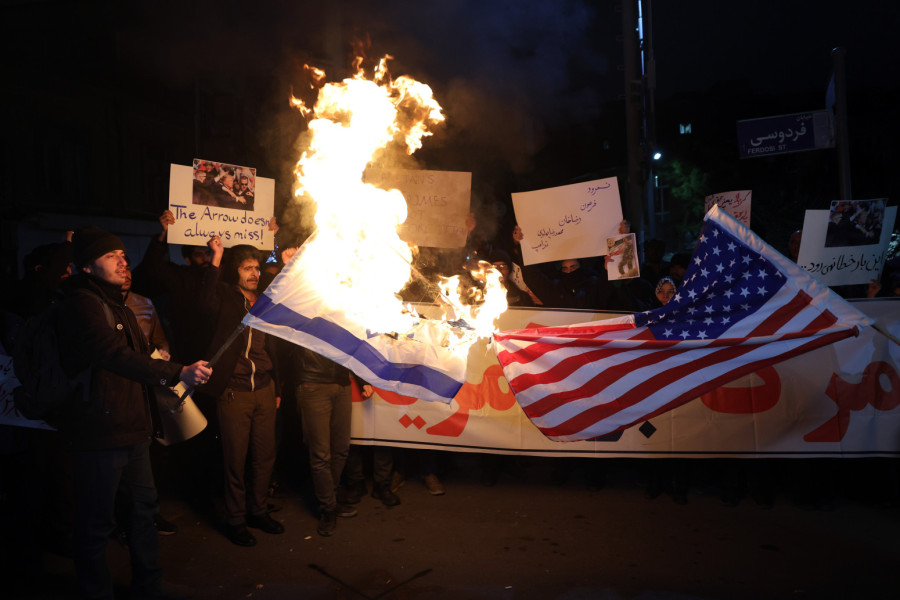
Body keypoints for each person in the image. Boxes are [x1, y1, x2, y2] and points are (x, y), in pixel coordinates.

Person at [55, 226, 211, 600]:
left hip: (133, 430)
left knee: (143, 512)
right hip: (99, 434)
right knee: (96, 523)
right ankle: (97, 592)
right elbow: (112, 354)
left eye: (124, 255)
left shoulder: (120, 304)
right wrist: (176, 371)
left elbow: (142, 359)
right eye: (112, 256)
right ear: (88, 268)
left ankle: (148, 585)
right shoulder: (81, 303)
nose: (124, 261)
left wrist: (168, 362)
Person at [199, 243, 284, 547]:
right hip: (234, 390)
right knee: (235, 459)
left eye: (257, 268)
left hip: (264, 388)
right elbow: (205, 305)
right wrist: (215, 260)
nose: (254, 273)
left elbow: (276, 346)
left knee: (265, 456)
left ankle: (258, 511)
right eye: (247, 267)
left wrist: (278, 387)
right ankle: (236, 519)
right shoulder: (225, 296)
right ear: (234, 270)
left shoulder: (264, 301)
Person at [291, 343, 374, 537]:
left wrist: (362, 381)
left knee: (341, 448)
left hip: (341, 384)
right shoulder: (304, 312)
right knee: (320, 453)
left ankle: (330, 499)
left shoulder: (341, 312)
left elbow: (350, 348)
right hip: (312, 382)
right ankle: (328, 508)